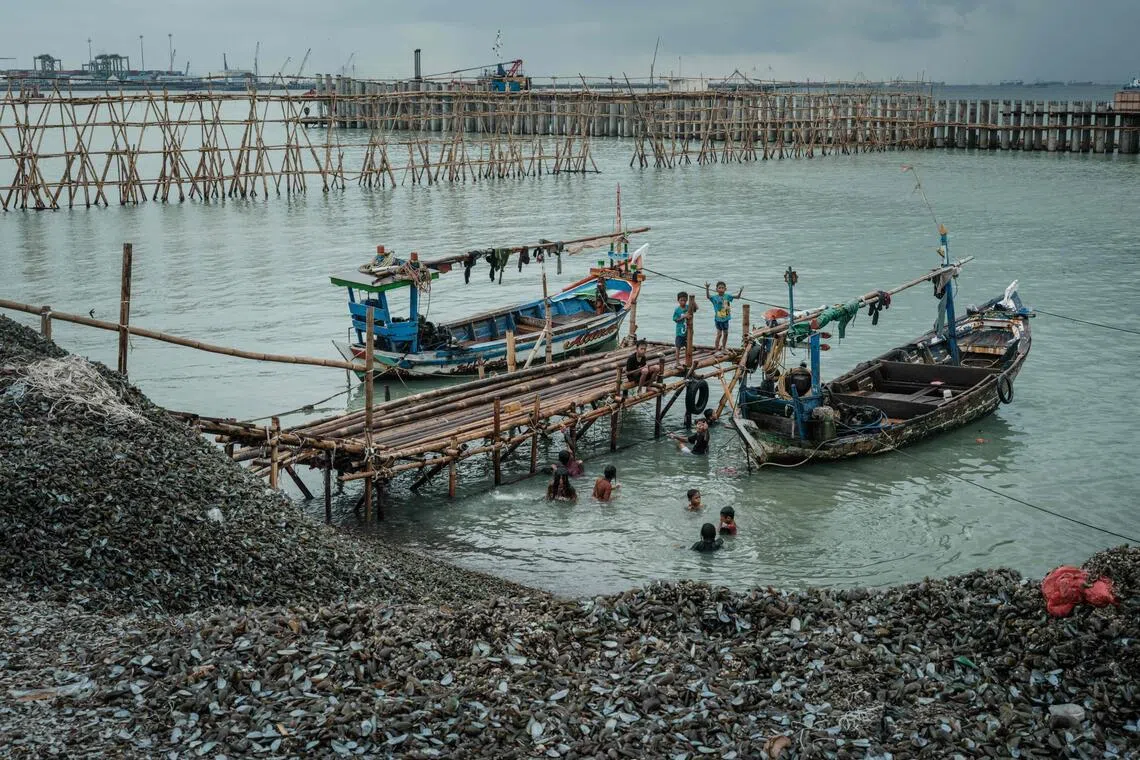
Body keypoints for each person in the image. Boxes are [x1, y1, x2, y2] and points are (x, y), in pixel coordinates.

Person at [705, 280, 744, 351]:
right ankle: (716, 349)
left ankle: (723, 347)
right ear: (716, 289)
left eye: (723, 288)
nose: (721, 289)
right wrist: (707, 288)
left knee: (726, 334)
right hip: (718, 319)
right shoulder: (714, 298)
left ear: (725, 289)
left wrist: (740, 291)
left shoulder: (727, 296)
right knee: (719, 334)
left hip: (725, 319)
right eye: (719, 288)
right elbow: (708, 296)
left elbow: (737, 297)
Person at [672, 291, 692, 366]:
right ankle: (677, 362)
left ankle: (687, 361)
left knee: (688, 347)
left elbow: (696, 308)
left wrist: (693, 301)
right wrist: (683, 317)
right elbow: (675, 319)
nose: (683, 302)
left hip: (688, 332)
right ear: (678, 300)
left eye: (684, 300)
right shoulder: (677, 310)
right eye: (681, 300)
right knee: (678, 347)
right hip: (680, 332)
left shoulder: (688, 307)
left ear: (687, 300)